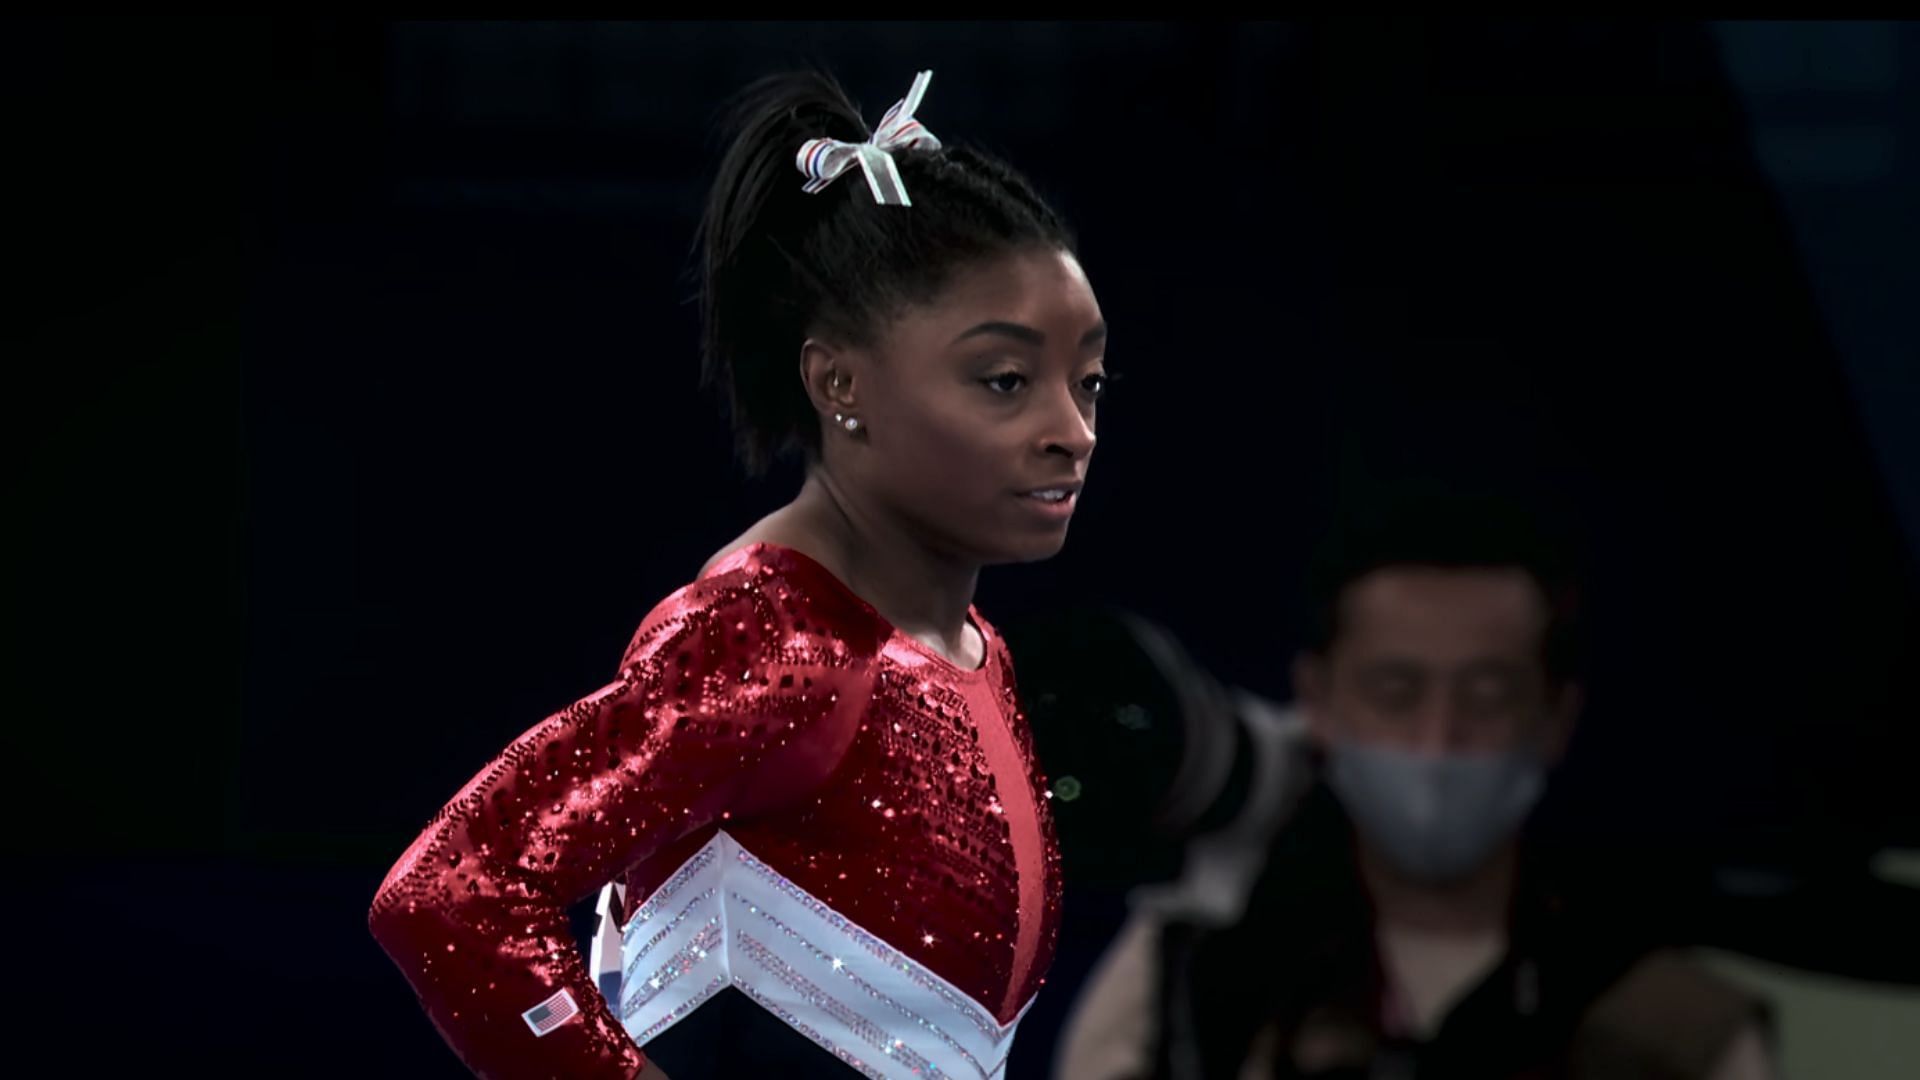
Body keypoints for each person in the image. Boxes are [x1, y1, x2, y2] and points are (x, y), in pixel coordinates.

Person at [368, 67, 1109, 1079]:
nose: (1071, 433)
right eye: (1006, 381)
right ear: (841, 383)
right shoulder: (781, 636)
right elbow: (459, 889)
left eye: (1090, 383)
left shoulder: (972, 655)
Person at [1056, 490, 1777, 1079]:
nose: (1438, 740)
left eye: (1487, 696)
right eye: (1396, 692)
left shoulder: (1670, 1026)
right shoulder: (1196, 985)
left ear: (1555, 717)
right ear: (1318, 702)